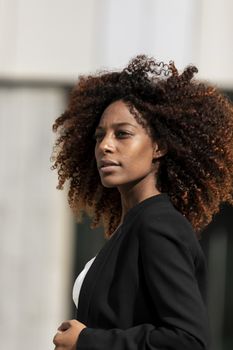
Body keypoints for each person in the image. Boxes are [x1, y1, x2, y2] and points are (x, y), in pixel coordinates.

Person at [51, 55, 233, 350]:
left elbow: (188, 341)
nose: (105, 146)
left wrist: (86, 340)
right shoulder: (133, 225)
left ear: (159, 146)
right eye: (99, 136)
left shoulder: (158, 225)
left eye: (122, 134)